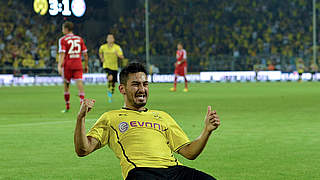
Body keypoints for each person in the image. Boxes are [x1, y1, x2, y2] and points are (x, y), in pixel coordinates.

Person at [74, 62, 221, 180]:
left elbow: (189, 153)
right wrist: (81, 118)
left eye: (145, 84)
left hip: (175, 171)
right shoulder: (110, 118)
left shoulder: (162, 116)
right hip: (141, 172)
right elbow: (83, 150)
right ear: (122, 89)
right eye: (136, 84)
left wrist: (206, 131)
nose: (142, 89)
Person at [58, 21, 88, 112]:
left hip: (68, 65)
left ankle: (67, 106)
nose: (62, 30)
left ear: (66, 29)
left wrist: (59, 65)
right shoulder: (79, 39)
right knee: (79, 83)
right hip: (78, 64)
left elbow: (62, 54)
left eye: (63, 28)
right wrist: (86, 65)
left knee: (66, 85)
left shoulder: (62, 40)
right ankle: (82, 106)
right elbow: (85, 54)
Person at [99, 34, 125, 103]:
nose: (110, 39)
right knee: (110, 78)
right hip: (106, 66)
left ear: (113, 39)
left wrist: (117, 54)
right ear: (107, 39)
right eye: (109, 38)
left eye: (111, 38)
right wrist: (102, 58)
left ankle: (111, 91)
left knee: (113, 83)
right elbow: (100, 52)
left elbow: (122, 57)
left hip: (114, 67)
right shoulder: (103, 47)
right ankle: (109, 94)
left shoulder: (117, 47)